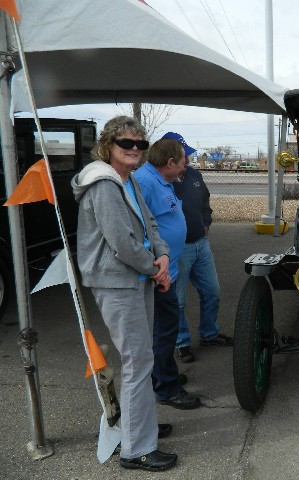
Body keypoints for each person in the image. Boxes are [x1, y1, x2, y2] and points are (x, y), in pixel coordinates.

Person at [71, 115, 178, 471]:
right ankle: (136, 448)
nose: (134, 150)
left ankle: (140, 426)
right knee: (137, 362)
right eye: (126, 144)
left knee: (141, 358)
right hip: (118, 282)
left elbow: (149, 224)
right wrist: (154, 267)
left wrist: (161, 256)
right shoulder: (104, 184)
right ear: (108, 146)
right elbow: (122, 243)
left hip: (138, 278)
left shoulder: (126, 180)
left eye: (140, 144)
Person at [134, 138, 201, 410]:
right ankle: (166, 388)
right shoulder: (145, 183)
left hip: (166, 270)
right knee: (164, 331)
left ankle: (163, 374)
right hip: (158, 274)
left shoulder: (160, 181)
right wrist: (154, 268)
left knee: (165, 330)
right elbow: (138, 230)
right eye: (184, 161)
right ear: (170, 162)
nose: (186, 166)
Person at [159, 132, 232, 365]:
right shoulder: (162, 182)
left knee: (212, 291)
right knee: (178, 300)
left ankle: (209, 333)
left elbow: (205, 201)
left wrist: (206, 222)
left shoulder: (194, 175)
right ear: (170, 158)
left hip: (201, 244)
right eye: (183, 156)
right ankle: (182, 343)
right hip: (178, 250)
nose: (187, 161)